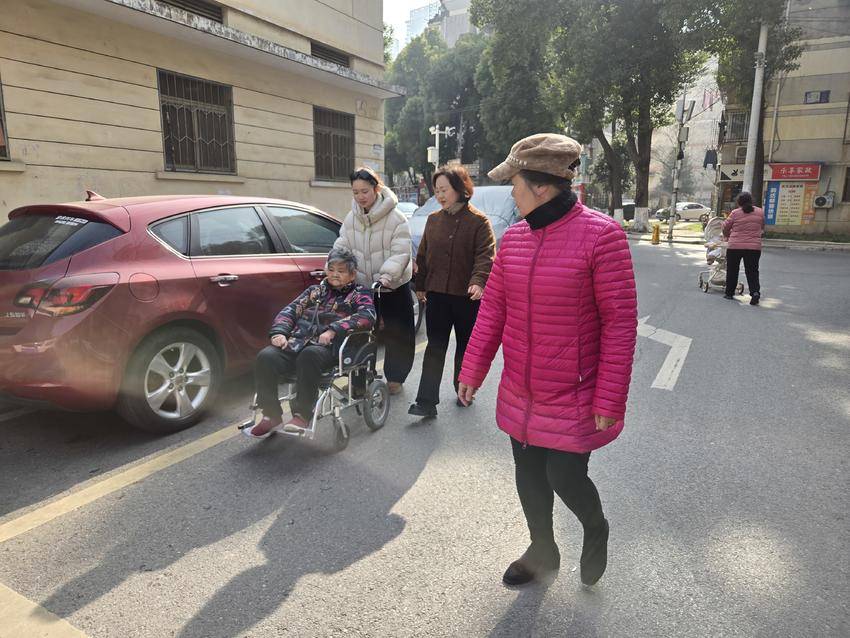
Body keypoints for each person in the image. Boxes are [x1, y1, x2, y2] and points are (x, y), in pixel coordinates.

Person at [457, 133, 638, 587]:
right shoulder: (514, 240)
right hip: (521, 387)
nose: (511, 193)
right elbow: (493, 310)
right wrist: (472, 370)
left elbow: (619, 325)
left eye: (515, 183)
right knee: (529, 472)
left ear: (540, 186)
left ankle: (595, 527)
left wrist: (609, 399)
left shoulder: (602, 236)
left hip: (574, 390)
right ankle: (542, 550)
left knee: (565, 475)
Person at [244, 247, 376, 439]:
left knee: (309, 355)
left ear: (352, 274)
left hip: (331, 348)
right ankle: (271, 416)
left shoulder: (359, 293)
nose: (335, 274)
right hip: (297, 342)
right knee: (266, 357)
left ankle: (303, 415)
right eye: (331, 269)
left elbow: (367, 316)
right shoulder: (315, 291)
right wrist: (279, 333)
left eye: (341, 271)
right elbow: (290, 311)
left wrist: (334, 329)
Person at [409, 165, 496, 419]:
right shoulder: (433, 220)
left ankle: (463, 390)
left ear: (460, 188)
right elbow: (423, 255)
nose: (440, 195)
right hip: (437, 295)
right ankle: (426, 401)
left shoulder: (479, 222)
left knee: (465, 347)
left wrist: (478, 282)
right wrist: (420, 285)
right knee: (435, 347)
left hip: (467, 296)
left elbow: (485, 256)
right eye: (436, 190)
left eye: (444, 190)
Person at [335, 167, 414, 395]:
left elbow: (401, 252)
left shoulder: (396, 218)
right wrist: (334, 268)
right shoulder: (351, 218)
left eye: (365, 191)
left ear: (376, 189)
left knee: (398, 334)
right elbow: (342, 246)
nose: (360, 197)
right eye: (355, 192)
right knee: (359, 335)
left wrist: (386, 275)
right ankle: (359, 381)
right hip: (362, 288)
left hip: (392, 286)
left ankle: (395, 377)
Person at [722, 191, 765, 305]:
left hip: (735, 246)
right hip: (754, 247)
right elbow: (762, 227)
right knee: (752, 271)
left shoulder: (735, 213)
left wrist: (727, 235)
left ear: (739, 202)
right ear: (751, 201)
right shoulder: (760, 212)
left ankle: (729, 293)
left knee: (732, 269)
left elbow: (725, 227)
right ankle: (755, 292)